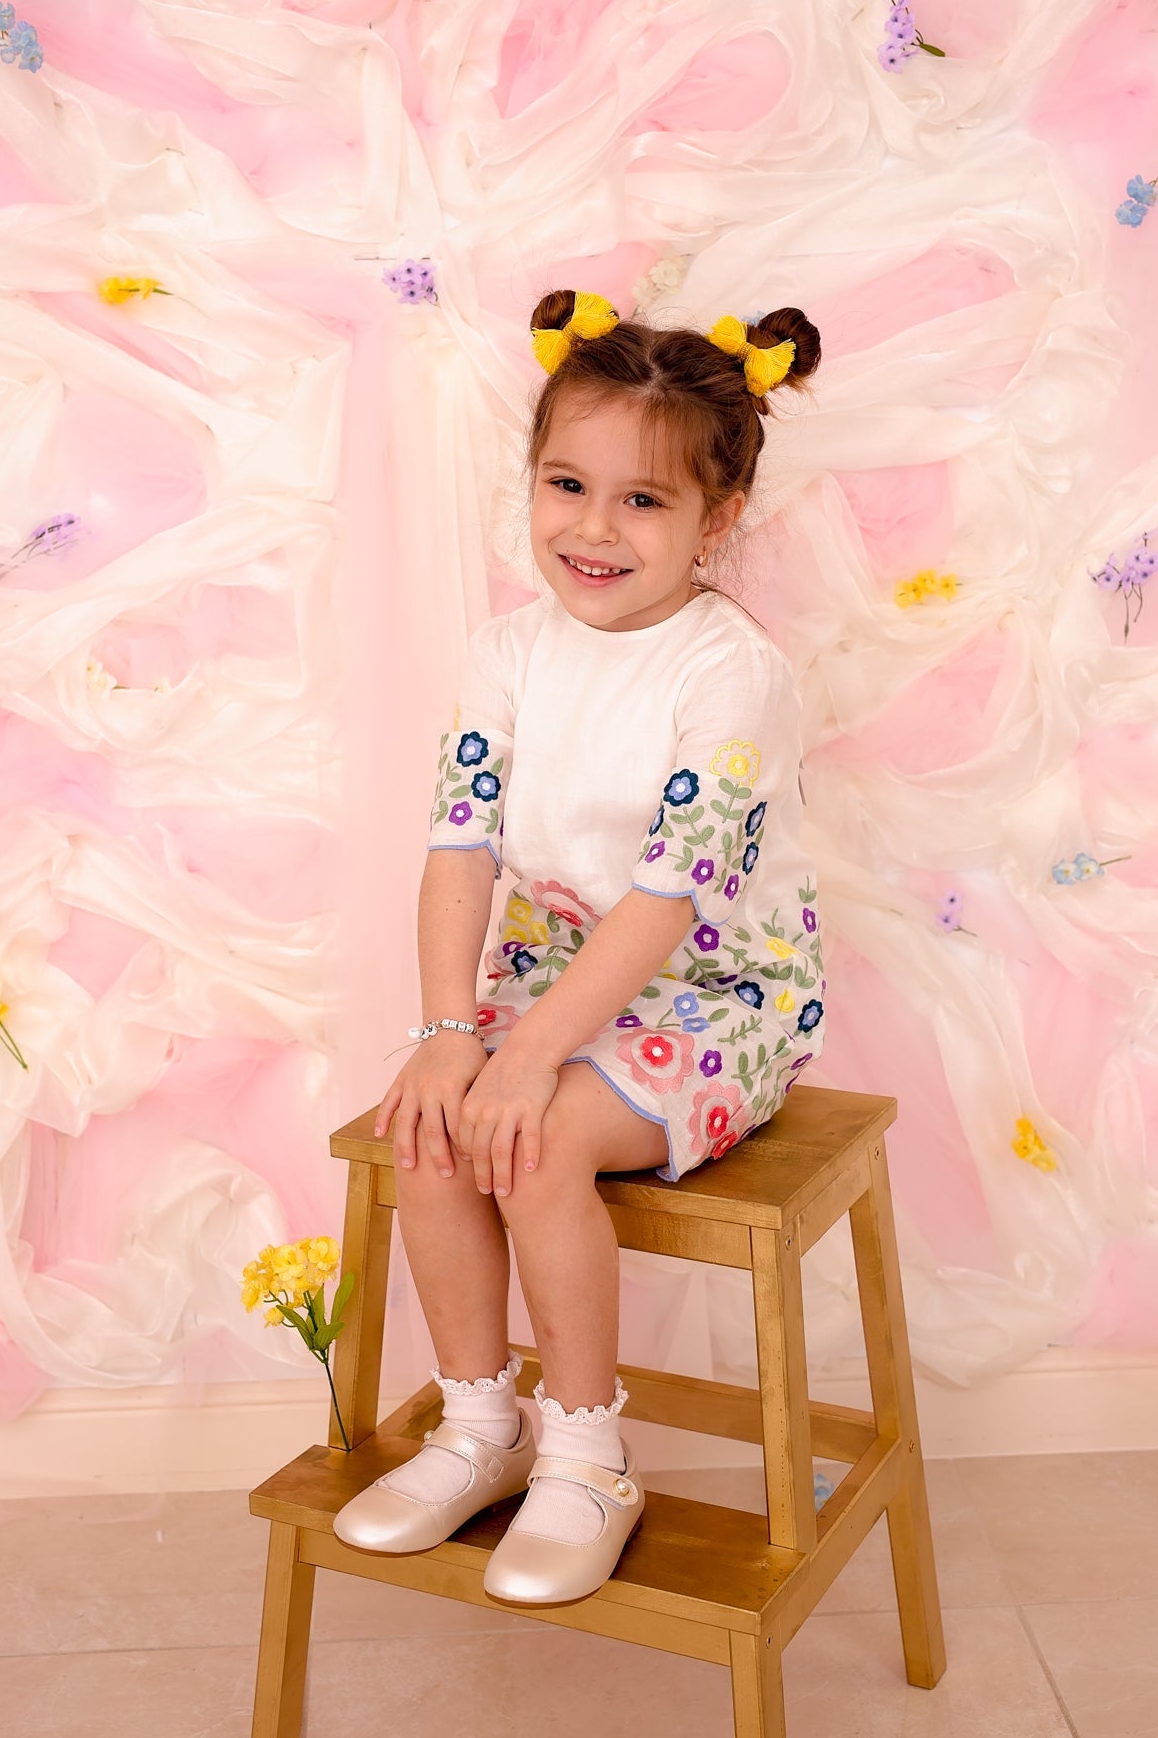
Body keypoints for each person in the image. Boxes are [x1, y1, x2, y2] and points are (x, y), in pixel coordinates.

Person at [333, 287, 828, 1605]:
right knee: (428, 1118)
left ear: (716, 520)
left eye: (643, 501)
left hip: (720, 991)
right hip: (556, 974)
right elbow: (458, 849)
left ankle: (589, 1456)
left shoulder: (729, 674)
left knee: (535, 1134)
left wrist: (524, 1061)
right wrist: (453, 1036)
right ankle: (479, 1424)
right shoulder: (508, 652)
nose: (594, 530)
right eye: (568, 485)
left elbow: (667, 902)